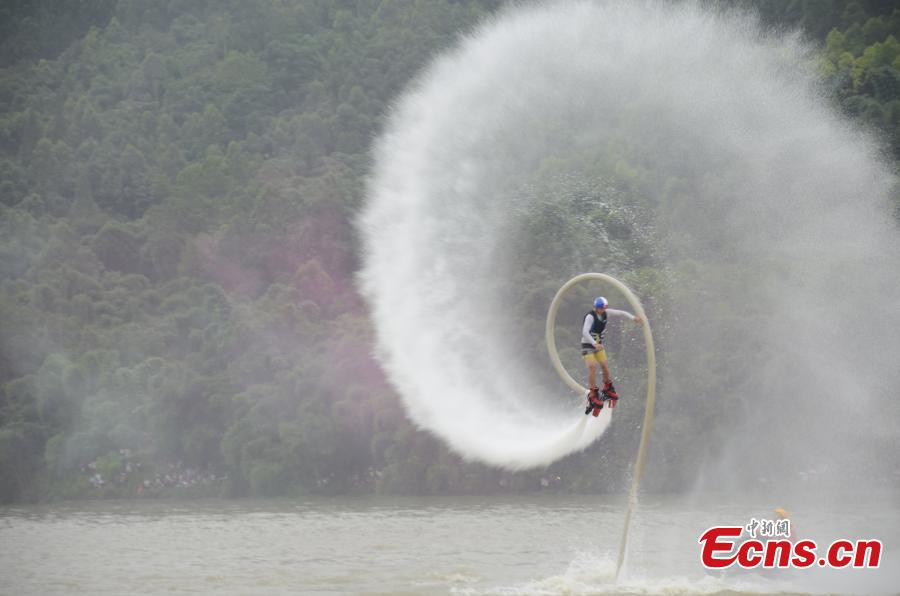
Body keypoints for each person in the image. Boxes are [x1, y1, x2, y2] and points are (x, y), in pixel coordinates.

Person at [582, 296, 642, 414]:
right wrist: (594, 343)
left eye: (602, 308)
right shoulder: (590, 316)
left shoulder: (606, 313)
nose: (600, 310)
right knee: (592, 367)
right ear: (595, 307)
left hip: (598, 345)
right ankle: (593, 393)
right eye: (598, 308)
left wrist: (633, 318)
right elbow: (585, 331)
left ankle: (608, 387)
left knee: (604, 365)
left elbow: (621, 313)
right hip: (588, 344)